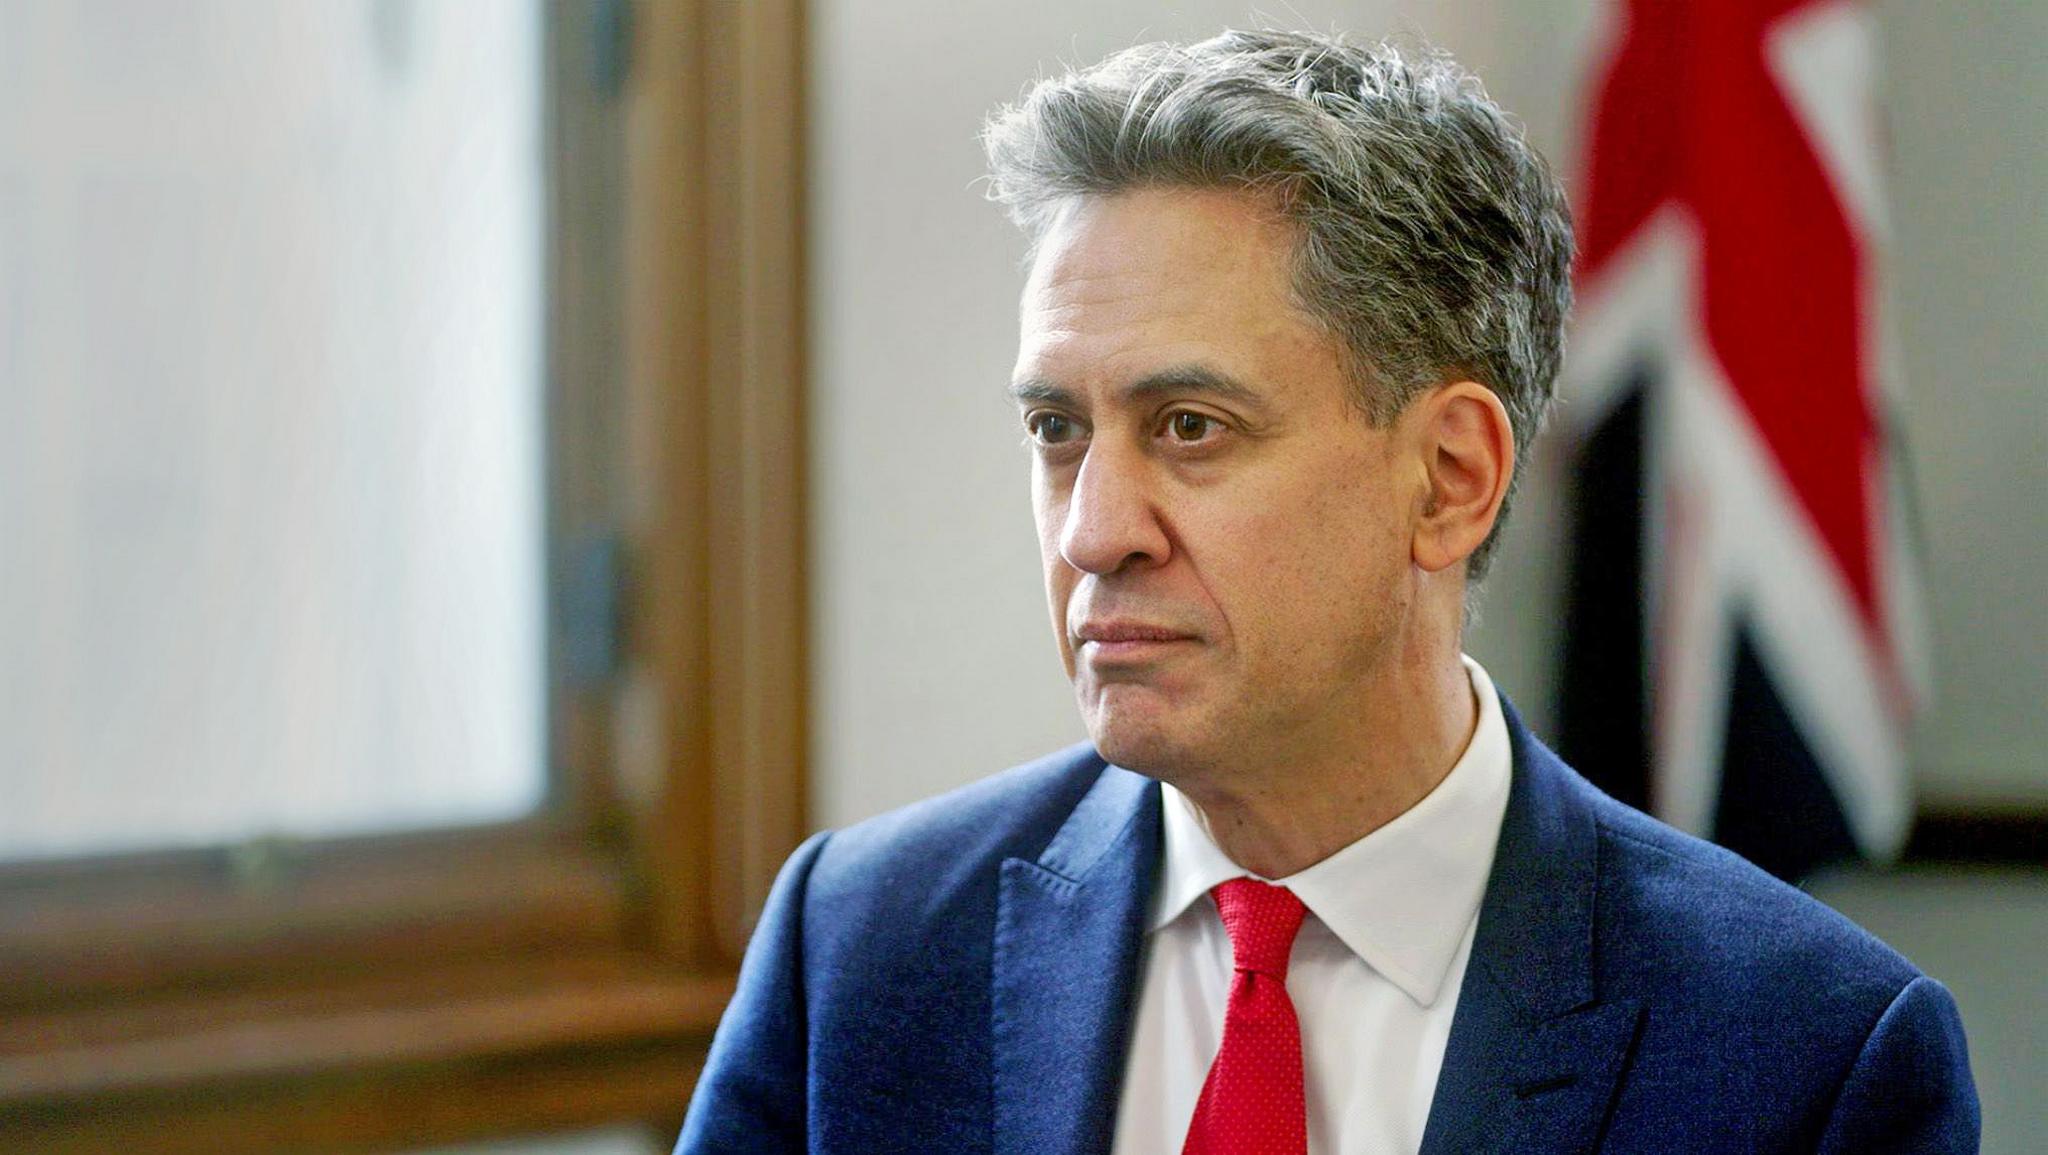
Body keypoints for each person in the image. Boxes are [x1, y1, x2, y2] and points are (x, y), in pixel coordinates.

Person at [675, 30, 1977, 1154]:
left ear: (1449, 478)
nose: (1093, 532)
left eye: (1189, 425)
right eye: (1057, 430)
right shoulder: (862, 950)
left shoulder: (1805, 1055)